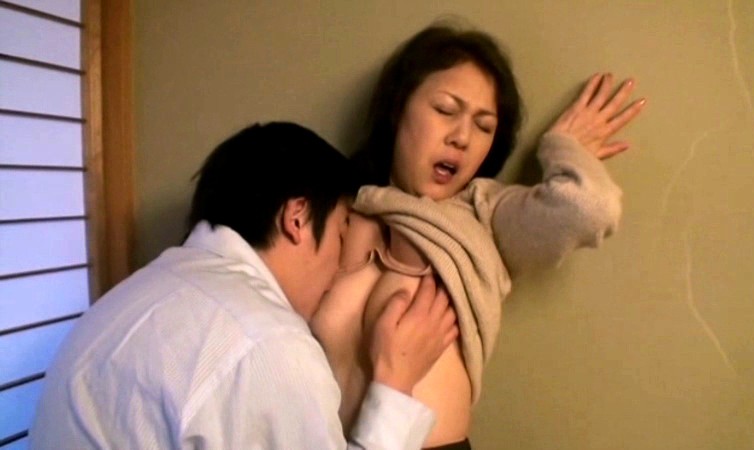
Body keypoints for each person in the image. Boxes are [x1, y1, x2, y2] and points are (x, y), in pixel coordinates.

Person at [310, 24, 646, 449]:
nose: (462, 137)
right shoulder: (336, 213)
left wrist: (562, 145)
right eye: (445, 109)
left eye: (484, 126)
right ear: (398, 108)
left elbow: (591, 207)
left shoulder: (483, 213)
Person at [29, 122, 459, 449]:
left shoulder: (126, 298)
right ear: (297, 218)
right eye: (343, 231)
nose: (342, 264)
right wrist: (394, 383)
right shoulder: (268, 344)